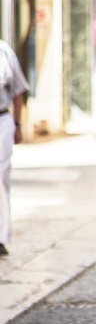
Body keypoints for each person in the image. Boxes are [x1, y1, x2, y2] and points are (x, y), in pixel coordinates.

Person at [0, 39, 29, 257]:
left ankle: (1, 237)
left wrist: (18, 124)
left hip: (2, 120)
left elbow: (18, 90)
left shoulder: (4, 52)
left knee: (1, 177)